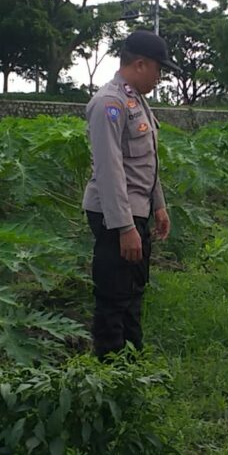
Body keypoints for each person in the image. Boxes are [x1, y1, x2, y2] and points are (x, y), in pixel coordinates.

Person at [82, 29, 178, 358]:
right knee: (114, 297)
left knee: (134, 291)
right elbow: (110, 171)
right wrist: (125, 227)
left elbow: (145, 163)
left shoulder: (137, 101)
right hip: (115, 216)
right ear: (140, 64)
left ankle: (133, 362)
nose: (160, 77)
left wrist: (159, 206)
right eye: (158, 69)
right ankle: (111, 371)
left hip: (136, 212)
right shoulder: (110, 103)